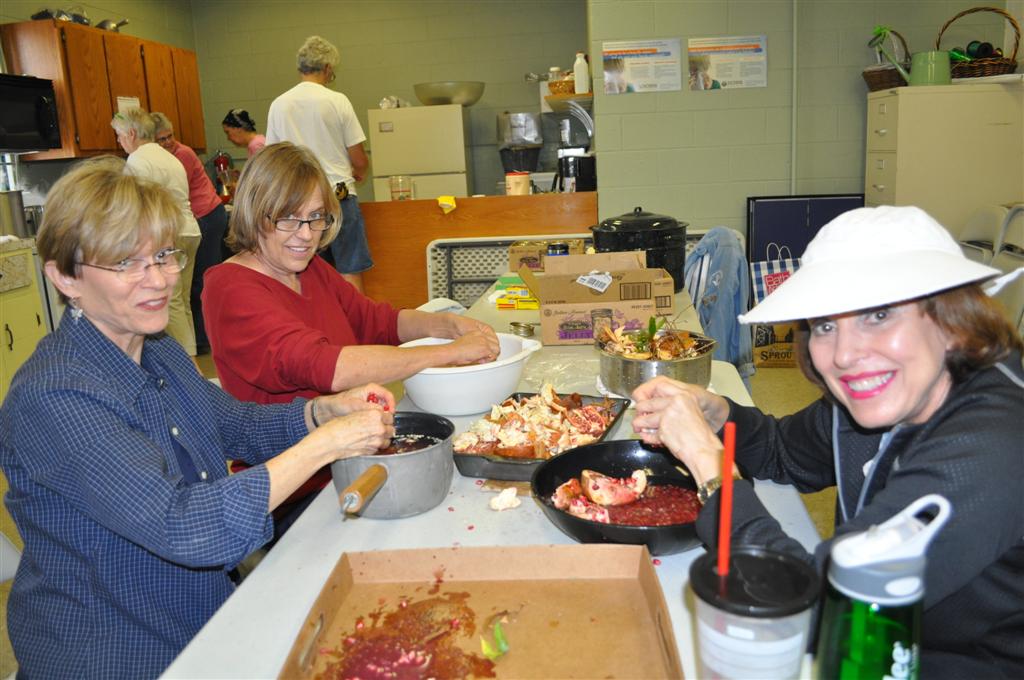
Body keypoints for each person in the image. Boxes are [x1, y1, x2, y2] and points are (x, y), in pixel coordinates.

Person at [0, 156, 395, 679]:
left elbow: (236, 426)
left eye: (164, 256)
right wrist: (324, 445)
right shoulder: (56, 397)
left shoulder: (154, 347)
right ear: (64, 276)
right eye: (127, 263)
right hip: (117, 651)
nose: (159, 280)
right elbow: (185, 527)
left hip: (203, 616)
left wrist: (320, 412)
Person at [632, 206, 1024, 678]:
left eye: (878, 315)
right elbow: (785, 451)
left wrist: (706, 461)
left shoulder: (991, 449)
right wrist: (720, 416)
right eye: (825, 325)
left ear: (952, 322)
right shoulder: (885, 395)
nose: (844, 355)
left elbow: (813, 608)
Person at [202, 142, 498, 533]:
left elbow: (378, 321)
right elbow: (329, 368)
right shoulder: (230, 289)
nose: (305, 235)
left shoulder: (308, 268)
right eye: (289, 219)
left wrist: (447, 325)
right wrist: (448, 354)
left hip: (353, 456)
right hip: (296, 494)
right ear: (256, 213)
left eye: (316, 218)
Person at [266, 35, 371, 291]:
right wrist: (358, 172)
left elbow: (272, 160)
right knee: (349, 268)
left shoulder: (279, 105)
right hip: (338, 195)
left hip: (296, 200)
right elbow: (358, 158)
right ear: (327, 69)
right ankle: (355, 328)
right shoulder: (337, 101)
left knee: (301, 270)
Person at [111, 107, 200, 356]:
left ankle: (184, 360)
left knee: (169, 300)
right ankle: (189, 355)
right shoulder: (169, 157)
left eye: (119, 135)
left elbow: (133, 206)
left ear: (131, 133)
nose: (119, 142)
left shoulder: (138, 160)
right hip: (190, 230)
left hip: (167, 235)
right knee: (181, 301)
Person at [152, 111, 228, 353]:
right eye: (161, 139)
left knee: (201, 284)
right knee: (194, 286)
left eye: (170, 136)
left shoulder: (181, 154)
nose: (167, 142)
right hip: (203, 218)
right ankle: (203, 340)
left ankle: (207, 340)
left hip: (206, 216)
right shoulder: (169, 156)